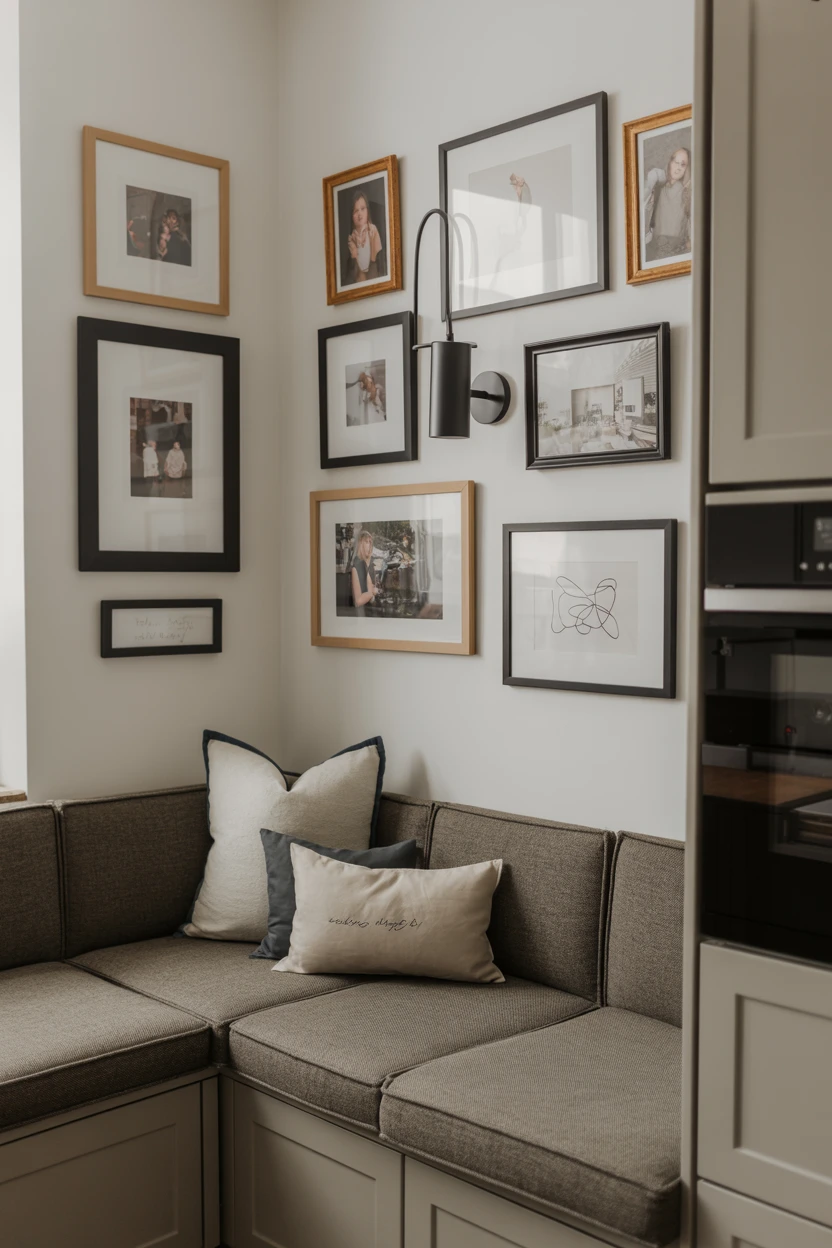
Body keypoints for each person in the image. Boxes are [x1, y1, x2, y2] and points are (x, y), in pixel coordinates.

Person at [643, 147, 691, 262]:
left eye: (683, 165)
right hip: (653, 248)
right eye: (676, 162)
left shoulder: (687, 193)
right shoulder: (657, 187)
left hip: (676, 251)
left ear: (687, 169)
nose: (678, 168)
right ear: (670, 162)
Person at [346, 192, 383, 284]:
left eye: (362, 209)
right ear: (351, 215)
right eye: (356, 211)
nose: (360, 214)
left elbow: (377, 260)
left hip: (372, 271)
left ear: (367, 210)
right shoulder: (351, 239)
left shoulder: (372, 230)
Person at [350, 530, 379, 614]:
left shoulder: (365, 563)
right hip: (361, 613)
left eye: (370, 542)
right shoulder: (358, 564)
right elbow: (358, 601)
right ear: (360, 544)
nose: (370, 545)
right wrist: (372, 593)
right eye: (366, 542)